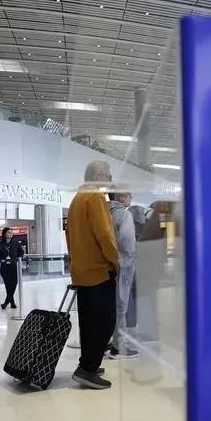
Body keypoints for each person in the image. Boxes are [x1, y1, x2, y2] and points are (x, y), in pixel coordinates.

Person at [66, 161, 119, 389]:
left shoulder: (77, 198)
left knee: (88, 322)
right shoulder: (95, 197)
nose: (110, 180)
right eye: (108, 175)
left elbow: (69, 235)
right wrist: (115, 261)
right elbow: (105, 234)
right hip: (99, 271)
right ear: (97, 175)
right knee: (105, 321)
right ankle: (88, 369)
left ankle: (88, 363)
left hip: (82, 271)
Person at [106, 191, 139, 359]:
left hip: (105, 266)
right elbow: (127, 244)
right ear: (120, 197)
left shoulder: (102, 213)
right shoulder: (124, 215)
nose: (130, 198)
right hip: (122, 266)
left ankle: (106, 341)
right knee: (121, 306)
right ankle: (118, 347)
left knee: (109, 305)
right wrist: (130, 264)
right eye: (128, 195)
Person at [0, 227, 24, 310]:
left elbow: (21, 252)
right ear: (4, 234)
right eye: (8, 232)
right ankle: (12, 303)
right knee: (8, 286)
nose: (11, 234)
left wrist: (18, 259)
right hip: (5, 268)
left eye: (11, 232)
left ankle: (6, 302)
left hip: (14, 267)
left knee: (14, 284)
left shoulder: (15, 243)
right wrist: (1, 260)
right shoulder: (0, 245)